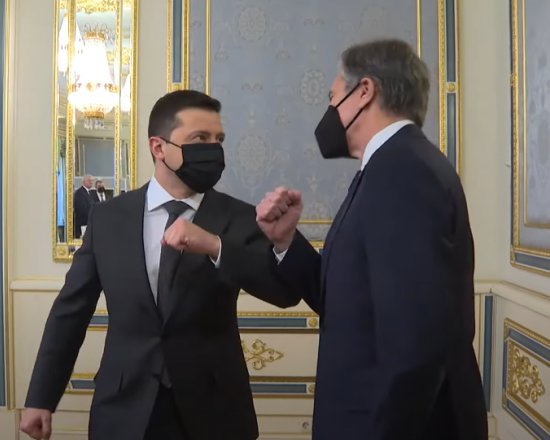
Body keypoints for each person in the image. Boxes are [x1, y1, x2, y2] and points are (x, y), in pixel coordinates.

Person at [21, 90, 301, 440]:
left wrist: (216, 246)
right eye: (200, 139)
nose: (213, 149)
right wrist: (41, 398)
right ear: (158, 147)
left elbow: (284, 293)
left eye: (219, 139)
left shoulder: (241, 216)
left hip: (215, 410)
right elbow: (70, 310)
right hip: (125, 407)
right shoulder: (108, 218)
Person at [256, 39, 488, 440]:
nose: (330, 111)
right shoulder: (388, 165)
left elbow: (415, 341)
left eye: (333, 98)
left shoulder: (404, 171)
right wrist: (286, 241)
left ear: (364, 91)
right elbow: (351, 299)